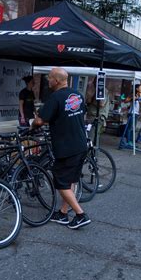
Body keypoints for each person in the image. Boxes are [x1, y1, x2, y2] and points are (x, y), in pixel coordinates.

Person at [31, 67, 91, 229]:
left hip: (67, 147)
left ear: (56, 81)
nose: (47, 80)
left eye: (49, 78)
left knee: (61, 183)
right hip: (80, 144)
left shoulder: (55, 97)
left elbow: (39, 121)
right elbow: (78, 113)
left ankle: (80, 215)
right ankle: (63, 213)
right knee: (70, 179)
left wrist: (32, 126)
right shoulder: (77, 95)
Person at [120, 82, 141, 148]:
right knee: (130, 128)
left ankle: (131, 141)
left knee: (133, 128)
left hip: (136, 113)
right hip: (132, 113)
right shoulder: (133, 94)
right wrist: (133, 98)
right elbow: (126, 100)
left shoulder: (139, 95)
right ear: (137, 89)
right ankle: (129, 141)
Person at [85, 77, 110, 143]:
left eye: (95, 81)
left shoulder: (103, 90)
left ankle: (92, 152)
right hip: (92, 116)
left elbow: (101, 104)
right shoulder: (96, 90)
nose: (94, 82)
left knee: (92, 137)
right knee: (91, 136)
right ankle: (92, 151)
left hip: (97, 117)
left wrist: (91, 100)